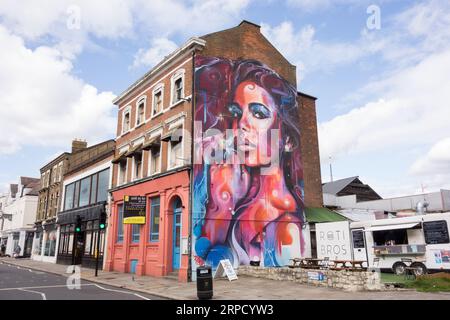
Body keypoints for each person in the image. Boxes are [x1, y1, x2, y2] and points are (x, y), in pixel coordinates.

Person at [193, 57, 305, 268]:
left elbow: (204, 262)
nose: (241, 124)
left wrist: (221, 208)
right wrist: (222, 202)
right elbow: (202, 254)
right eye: (237, 112)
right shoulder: (236, 189)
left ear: (288, 140)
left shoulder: (285, 228)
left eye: (258, 113)